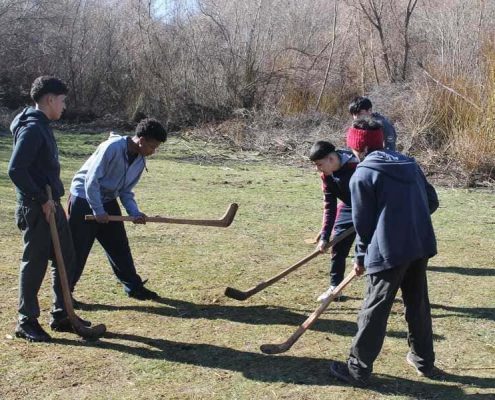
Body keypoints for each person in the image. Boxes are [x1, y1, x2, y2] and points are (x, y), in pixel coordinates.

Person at [329, 117, 439, 386]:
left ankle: (357, 369)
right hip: (419, 244)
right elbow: (431, 201)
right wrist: (407, 218)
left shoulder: (363, 174)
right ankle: (423, 360)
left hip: (389, 250)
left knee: (374, 308)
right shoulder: (410, 164)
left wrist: (360, 257)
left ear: (359, 147)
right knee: (417, 303)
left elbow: (363, 225)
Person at [8, 76, 92, 342]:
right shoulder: (32, 128)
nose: (64, 106)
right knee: (34, 264)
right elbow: (16, 169)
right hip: (37, 207)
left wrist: (52, 200)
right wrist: (39, 198)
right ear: (50, 99)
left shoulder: (42, 124)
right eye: (63, 101)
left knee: (66, 257)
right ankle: (26, 321)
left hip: (51, 204)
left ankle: (62, 314)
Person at [68, 118, 167, 301]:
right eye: (152, 146)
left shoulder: (140, 159)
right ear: (141, 140)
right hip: (83, 198)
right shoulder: (111, 148)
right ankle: (64, 295)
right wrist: (98, 210)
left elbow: (126, 191)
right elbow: (91, 181)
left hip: (107, 199)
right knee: (77, 250)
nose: (153, 152)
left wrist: (134, 212)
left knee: (119, 246)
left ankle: (134, 288)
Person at [309, 141, 359, 302]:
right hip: (349, 206)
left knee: (371, 253)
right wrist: (324, 237)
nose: (318, 169)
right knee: (338, 246)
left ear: (331, 159)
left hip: (373, 208)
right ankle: (335, 288)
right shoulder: (326, 175)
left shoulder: (357, 166)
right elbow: (329, 207)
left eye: (319, 164)